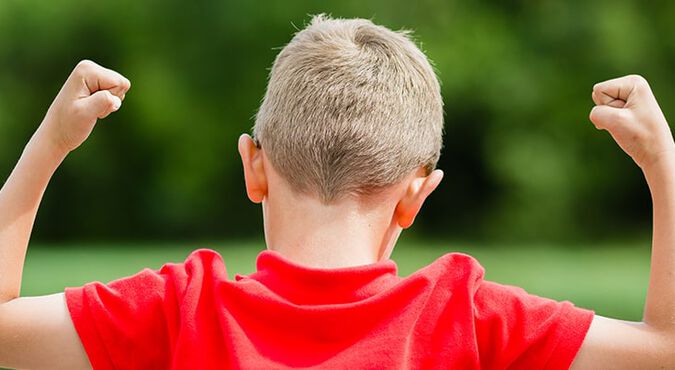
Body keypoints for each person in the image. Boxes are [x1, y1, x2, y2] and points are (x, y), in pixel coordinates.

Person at [0, 15, 674, 370]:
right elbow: (664, 348)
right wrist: (660, 164)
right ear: (416, 196)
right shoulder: (469, 321)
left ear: (252, 168)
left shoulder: (180, 312)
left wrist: (50, 144)